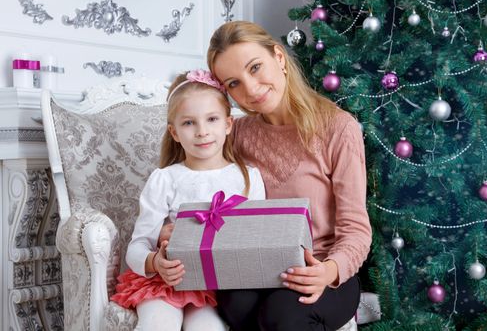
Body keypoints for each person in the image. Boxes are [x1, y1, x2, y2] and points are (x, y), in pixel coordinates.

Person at [207, 21, 372, 331]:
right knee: (234, 303)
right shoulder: (235, 134)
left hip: (323, 267)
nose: (250, 89)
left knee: (281, 315)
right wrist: (173, 229)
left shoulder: (337, 128)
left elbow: (356, 229)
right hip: (258, 265)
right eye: (233, 83)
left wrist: (329, 271)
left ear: (279, 58)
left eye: (255, 68)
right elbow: (200, 187)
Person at [110, 69, 266, 331]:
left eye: (212, 119)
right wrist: (155, 263)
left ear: (228, 125)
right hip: (166, 281)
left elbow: (258, 240)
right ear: (174, 132)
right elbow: (137, 246)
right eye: (189, 123)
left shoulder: (248, 178)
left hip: (215, 290)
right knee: (158, 325)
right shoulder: (165, 179)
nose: (202, 131)